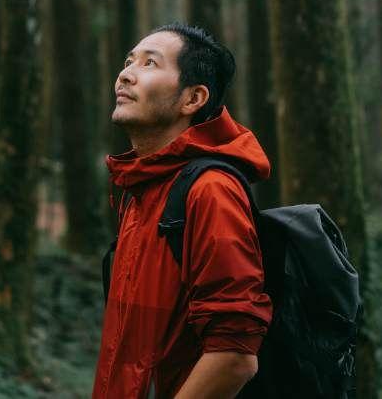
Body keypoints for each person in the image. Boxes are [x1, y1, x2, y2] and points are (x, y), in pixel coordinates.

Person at [92, 23, 273, 399]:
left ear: (192, 99)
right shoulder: (139, 189)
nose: (125, 74)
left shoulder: (211, 192)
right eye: (129, 61)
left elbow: (235, 354)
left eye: (150, 63)